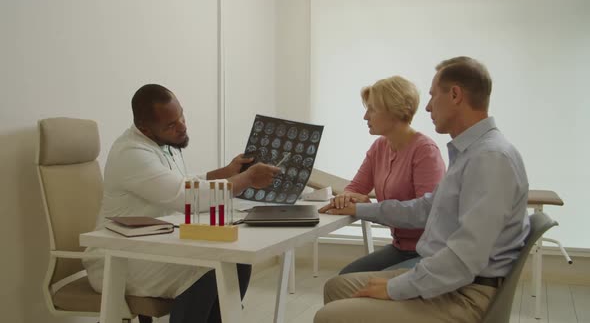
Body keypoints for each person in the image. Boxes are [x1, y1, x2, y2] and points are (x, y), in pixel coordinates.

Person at [315, 57, 530, 323]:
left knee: (329, 316)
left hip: (464, 293)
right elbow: (425, 208)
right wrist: (358, 207)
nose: (426, 107)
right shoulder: (470, 153)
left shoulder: (490, 158)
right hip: (449, 279)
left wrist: (396, 288)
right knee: (336, 288)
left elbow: (465, 257)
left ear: (455, 95)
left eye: (432, 96)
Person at [83, 84, 280, 323]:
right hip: (119, 258)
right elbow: (186, 197)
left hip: (152, 244)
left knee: (236, 263)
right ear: (144, 128)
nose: (182, 126)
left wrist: (226, 172)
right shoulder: (131, 153)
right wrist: (245, 179)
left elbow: (185, 183)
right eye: (171, 124)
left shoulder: (162, 143)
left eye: (181, 116)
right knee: (207, 268)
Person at [335, 75, 445, 275]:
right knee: (346, 277)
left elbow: (426, 214)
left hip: (430, 253)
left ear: (395, 111)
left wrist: (365, 207)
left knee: (356, 287)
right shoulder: (380, 146)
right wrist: (348, 197)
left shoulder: (425, 150)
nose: (365, 116)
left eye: (372, 109)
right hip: (401, 248)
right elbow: (354, 189)